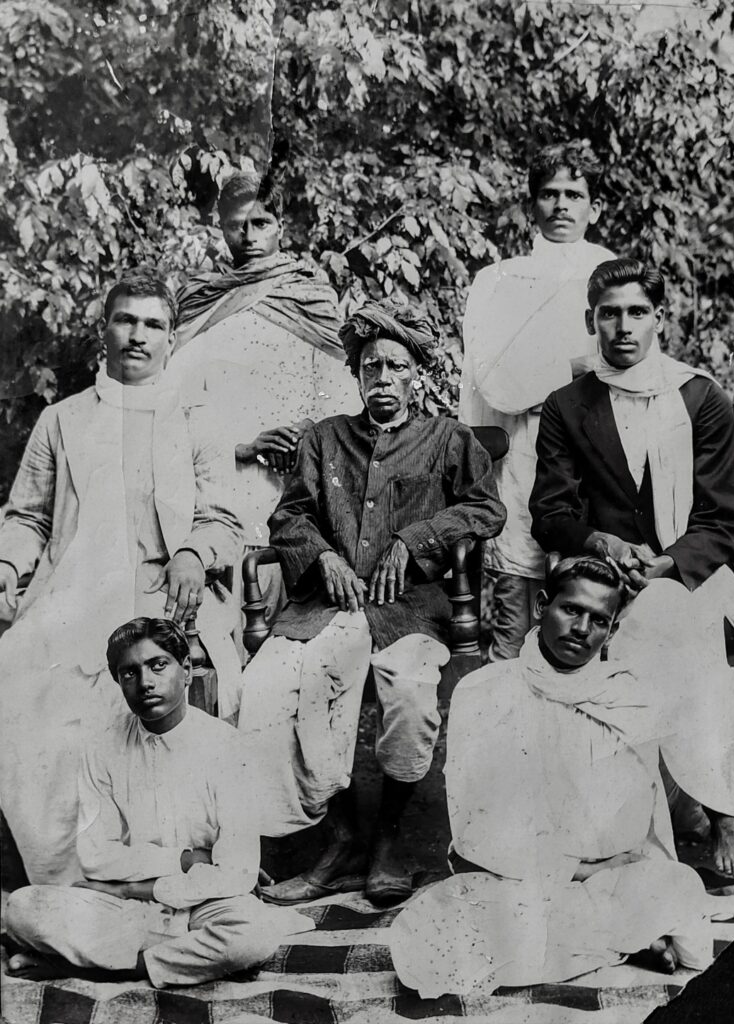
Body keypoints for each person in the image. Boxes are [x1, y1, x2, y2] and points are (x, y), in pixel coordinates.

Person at [389, 556, 734, 997]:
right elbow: (477, 832)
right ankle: (620, 943)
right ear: (541, 606)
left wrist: (612, 868)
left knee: (678, 888)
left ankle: (597, 942)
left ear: (612, 631)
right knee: (436, 938)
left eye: (599, 620)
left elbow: (635, 824)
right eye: (571, 610)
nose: (582, 628)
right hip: (518, 880)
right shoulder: (485, 691)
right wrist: (583, 869)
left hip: (610, 879)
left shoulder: (625, 696)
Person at [237, 301, 506, 907]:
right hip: (326, 608)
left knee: (409, 693)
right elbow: (290, 516)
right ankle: (342, 840)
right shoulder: (325, 439)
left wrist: (415, 539)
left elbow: (487, 509)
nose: (383, 379)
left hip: (409, 611)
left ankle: (387, 837)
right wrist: (321, 558)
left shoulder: (448, 439)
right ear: (357, 375)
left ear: (416, 375)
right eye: (371, 368)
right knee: (267, 685)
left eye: (396, 367)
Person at [0, 270, 243, 886]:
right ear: (103, 329)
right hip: (74, 594)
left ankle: (153, 872)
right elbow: (26, 516)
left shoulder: (197, 419)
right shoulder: (62, 420)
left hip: (169, 599)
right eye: (125, 320)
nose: (138, 335)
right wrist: (8, 561)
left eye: (153, 324)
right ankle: (63, 878)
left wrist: (194, 552)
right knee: (20, 676)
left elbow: (223, 517)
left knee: (138, 686)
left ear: (171, 338)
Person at [529, 256, 734, 877]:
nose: (623, 327)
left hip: (684, 571)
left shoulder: (700, 397)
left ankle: (720, 812)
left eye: (637, 312)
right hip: (597, 574)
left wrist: (667, 565)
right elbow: (550, 512)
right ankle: (664, 824)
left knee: (674, 618)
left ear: (660, 318)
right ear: (591, 321)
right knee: (656, 623)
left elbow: (722, 518)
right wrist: (603, 544)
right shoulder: (567, 404)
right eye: (609, 314)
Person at [5, 618, 313, 987]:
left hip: (204, 903)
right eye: (129, 672)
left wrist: (129, 887)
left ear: (186, 670)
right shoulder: (101, 749)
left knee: (253, 933)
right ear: (118, 681)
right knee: (22, 907)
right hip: (129, 908)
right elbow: (96, 856)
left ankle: (85, 967)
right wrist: (185, 860)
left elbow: (237, 874)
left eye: (158, 665)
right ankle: (184, 958)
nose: (145, 682)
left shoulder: (228, 747)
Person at [167, 171, 359, 621]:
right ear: (221, 228)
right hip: (221, 490)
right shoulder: (201, 300)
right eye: (237, 225)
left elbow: (345, 402)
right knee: (225, 622)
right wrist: (242, 446)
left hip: (301, 491)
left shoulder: (310, 296)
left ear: (281, 226)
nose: (249, 236)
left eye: (261, 223)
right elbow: (172, 408)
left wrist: (308, 433)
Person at [459, 140, 614, 660]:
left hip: (597, 462)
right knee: (515, 623)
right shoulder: (499, 280)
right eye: (550, 193)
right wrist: (570, 368)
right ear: (532, 205)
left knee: (591, 611)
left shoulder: (613, 275)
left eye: (575, 194)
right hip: (524, 457)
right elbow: (490, 378)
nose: (562, 205)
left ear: (595, 207)